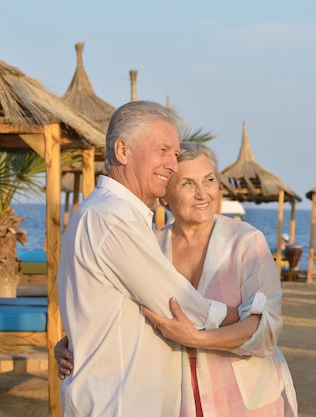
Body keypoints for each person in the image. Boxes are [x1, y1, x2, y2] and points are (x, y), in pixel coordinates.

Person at [57, 141, 297, 416]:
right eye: (187, 184)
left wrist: (196, 338)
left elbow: (266, 328)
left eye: (209, 180)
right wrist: (73, 344)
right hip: (176, 399)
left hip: (246, 401)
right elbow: (115, 310)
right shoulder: (149, 246)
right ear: (164, 196)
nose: (202, 193)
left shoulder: (246, 242)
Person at [56, 101, 234, 417]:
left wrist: (77, 340)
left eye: (175, 155)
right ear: (122, 151)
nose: (172, 164)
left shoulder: (111, 215)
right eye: (162, 150)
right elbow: (182, 309)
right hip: (118, 403)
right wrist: (250, 315)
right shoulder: (112, 219)